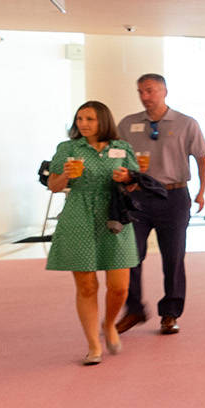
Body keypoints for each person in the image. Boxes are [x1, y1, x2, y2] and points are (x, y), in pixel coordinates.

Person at [46, 101, 142, 365]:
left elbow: (135, 184)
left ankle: (109, 323)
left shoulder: (121, 148)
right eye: (79, 118)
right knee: (87, 285)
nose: (83, 124)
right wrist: (65, 175)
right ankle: (93, 345)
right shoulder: (67, 149)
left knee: (120, 287)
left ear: (103, 121)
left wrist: (127, 179)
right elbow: (53, 186)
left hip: (114, 216)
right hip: (79, 215)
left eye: (89, 118)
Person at [114, 74, 205, 336]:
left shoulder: (186, 123)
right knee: (130, 255)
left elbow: (201, 159)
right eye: (140, 92)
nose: (145, 96)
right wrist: (124, 179)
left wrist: (201, 191)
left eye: (150, 90)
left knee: (174, 257)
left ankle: (170, 314)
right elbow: (117, 158)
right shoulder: (128, 124)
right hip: (138, 197)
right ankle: (134, 310)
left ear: (164, 91)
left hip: (174, 197)